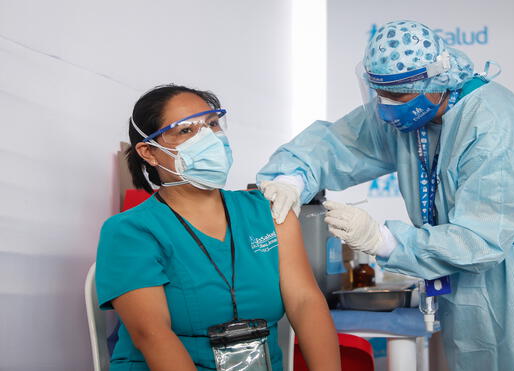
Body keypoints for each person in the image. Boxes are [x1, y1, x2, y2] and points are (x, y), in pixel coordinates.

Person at [257, 20, 514, 371]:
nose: (385, 106)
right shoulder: (412, 113)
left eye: (397, 95)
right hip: (472, 276)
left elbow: (480, 238)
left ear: (435, 83)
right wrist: (291, 178)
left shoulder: (496, 128)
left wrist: (383, 240)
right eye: (380, 94)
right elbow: (338, 144)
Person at [96, 85, 341, 371]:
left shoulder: (268, 210)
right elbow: (152, 335)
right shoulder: (130, 231)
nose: (208, 137)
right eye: (186, 130)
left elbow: (305, 303)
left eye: (212, 124)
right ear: (149, 152)